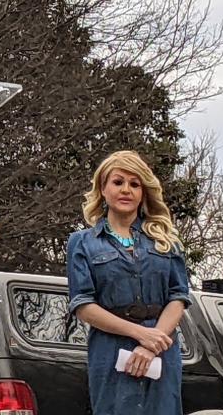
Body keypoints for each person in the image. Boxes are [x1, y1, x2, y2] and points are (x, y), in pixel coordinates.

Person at [66, 150, 191, 415]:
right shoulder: (82, 243)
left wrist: (150, 342)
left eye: (135, 184)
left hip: (161, 346)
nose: (126, 190)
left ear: (144, 192)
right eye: (118, 182)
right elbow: (83, 304)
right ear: (103, 187)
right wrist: (138, 333)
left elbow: (179, 297)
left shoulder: (166, 240)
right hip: (110, 349)